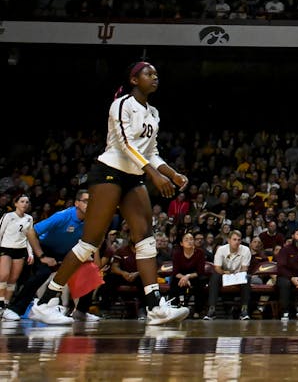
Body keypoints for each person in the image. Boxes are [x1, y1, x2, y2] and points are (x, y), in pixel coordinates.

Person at [29, 61, 191, 326]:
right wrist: (153, 174)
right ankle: (46, 301)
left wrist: (172, 173)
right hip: (110, 172)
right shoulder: (121, 104)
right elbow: (126, 144)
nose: (155, 77)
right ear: (134, 79)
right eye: (149, 74)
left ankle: (155, 307)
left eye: (157, 74)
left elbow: (151, 151)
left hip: (134, 175)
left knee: (145, 238)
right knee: (90, 242)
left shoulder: (154, 113)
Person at [7, 191, 88, 321]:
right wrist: (42, 256)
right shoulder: (62, 216)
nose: (89, 205)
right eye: (85, 201)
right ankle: (14, 309)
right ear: (77, 203)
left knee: (89, 271)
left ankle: (81, 311)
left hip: (66, 253)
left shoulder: (91, 220)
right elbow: (31, 232)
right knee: (42, 273)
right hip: (45, 248)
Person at [204, 230, 252, 319]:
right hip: (224, 275)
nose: (237, 242)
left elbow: (244, 268)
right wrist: (226, 273)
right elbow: (217, 268)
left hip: (239, 275)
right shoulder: (221, 250)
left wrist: (236, 275)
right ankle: (212, 309)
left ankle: (244, 310)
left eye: (239, 240)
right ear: (229, 240)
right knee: (215, 277)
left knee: (247, 277)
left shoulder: (246, 250)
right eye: (234, 239)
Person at [0, 195, 34, 320]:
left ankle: (6, 307)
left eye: (27, 202)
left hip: (20, 250)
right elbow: (0, 232)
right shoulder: (8, 216)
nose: (25, 204)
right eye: (22, 201)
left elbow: (29, 237)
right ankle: (0, 303)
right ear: (15, 203)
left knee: (13, 279)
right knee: (3, 275)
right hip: (5, 248)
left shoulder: (29, 219)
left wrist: (30, 253)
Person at [169, 231, 208, 313]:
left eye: (191, 239)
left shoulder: (200, 253)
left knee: (200, 282)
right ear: (181, 243)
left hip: (195, 276)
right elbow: (176, 272)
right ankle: (174, 308)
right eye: (186, 240)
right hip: (180, 277)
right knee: (174, 282)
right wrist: (184, 278)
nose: (189, 241)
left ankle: (198, 310)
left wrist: (187, 277)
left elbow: (200, 271)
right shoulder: (177, 254)